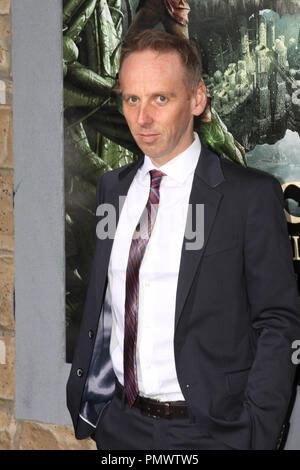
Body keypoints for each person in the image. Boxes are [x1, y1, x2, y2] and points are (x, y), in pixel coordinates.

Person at [66, 29, 300, 450]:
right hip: (119, 425)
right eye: (132, 99)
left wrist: (256, 431)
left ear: (196, 99)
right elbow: (104, 302)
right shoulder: (112, 191)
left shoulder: (248, 196)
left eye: (160, 98)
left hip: (210, 431)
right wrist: (100, 413)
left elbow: (279, 321)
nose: (142, 118)